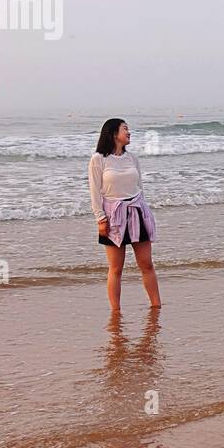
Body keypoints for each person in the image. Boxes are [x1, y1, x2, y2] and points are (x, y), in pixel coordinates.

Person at [89, 118, 161, 311]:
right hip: (113, 215)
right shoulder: (98, 159)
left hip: (137, 212)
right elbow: (95, 192)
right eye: (125, 129)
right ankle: (116, 311)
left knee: (146, 263)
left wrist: (146, 213)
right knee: (116, 268)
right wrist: (100, 219)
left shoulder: (132, 158)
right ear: (113, 133)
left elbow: (140, 188)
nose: (129, 133)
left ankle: (156, 306)